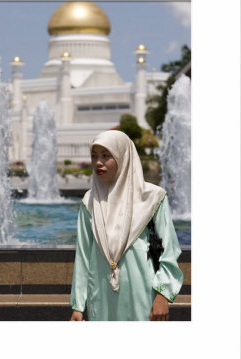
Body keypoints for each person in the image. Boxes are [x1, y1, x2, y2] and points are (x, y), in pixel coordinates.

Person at [70, 130, 183, 321]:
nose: (98, 162)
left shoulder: (152, 198)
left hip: (143, 296)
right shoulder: (90, 201)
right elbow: (83, 256)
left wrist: (163, 295)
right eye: (94, 156)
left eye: (106, 156)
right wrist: (78, 306)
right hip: (102, 297)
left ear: (123, 156)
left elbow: (168, 251)